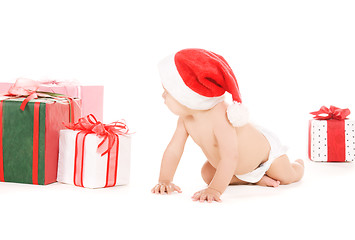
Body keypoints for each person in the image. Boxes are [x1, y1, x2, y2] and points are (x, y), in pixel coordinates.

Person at [151, 48, 304, 203]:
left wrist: (215, 189)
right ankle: (254, 179)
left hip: (265, 159)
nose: (163, 95)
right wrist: (165, 179)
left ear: (188, 96)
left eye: (167, 91)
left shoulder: (219, 116)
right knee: (207, 174)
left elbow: (230, 156)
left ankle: (298, 167)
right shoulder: (185, 120)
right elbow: (174, 150)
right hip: (235, 168)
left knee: (285, 174)